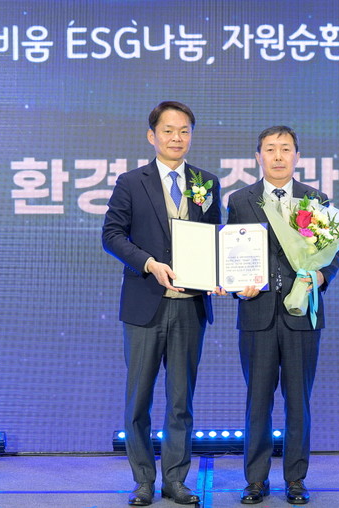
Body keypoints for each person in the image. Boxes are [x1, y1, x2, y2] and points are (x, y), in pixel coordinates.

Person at [102, 101, 221, 506]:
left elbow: (214, 239)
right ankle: (142, 481)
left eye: (184, 131)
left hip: (190, 306)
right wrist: (148, 263)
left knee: (180, 401)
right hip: (145, 304)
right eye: (168, 130)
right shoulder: (130, 182)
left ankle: (175, 480)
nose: (176, 138)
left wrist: (220, 275)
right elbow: (112, 235)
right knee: (138, 400)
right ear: (152, 135)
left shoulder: (206, 182)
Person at [226, 126, 339, 505]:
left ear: (297, 156)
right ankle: (255, 481)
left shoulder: (315, 199)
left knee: (298, 401)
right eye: (271, 149)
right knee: (257, 402)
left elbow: (331, 252)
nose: (278, 156)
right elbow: (231, 253)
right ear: (258, 156)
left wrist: (320, 276)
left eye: (286, 149)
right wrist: (235, 285)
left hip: (302, 314)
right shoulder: (240, 200)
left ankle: (295, 479)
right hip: (256, 314)